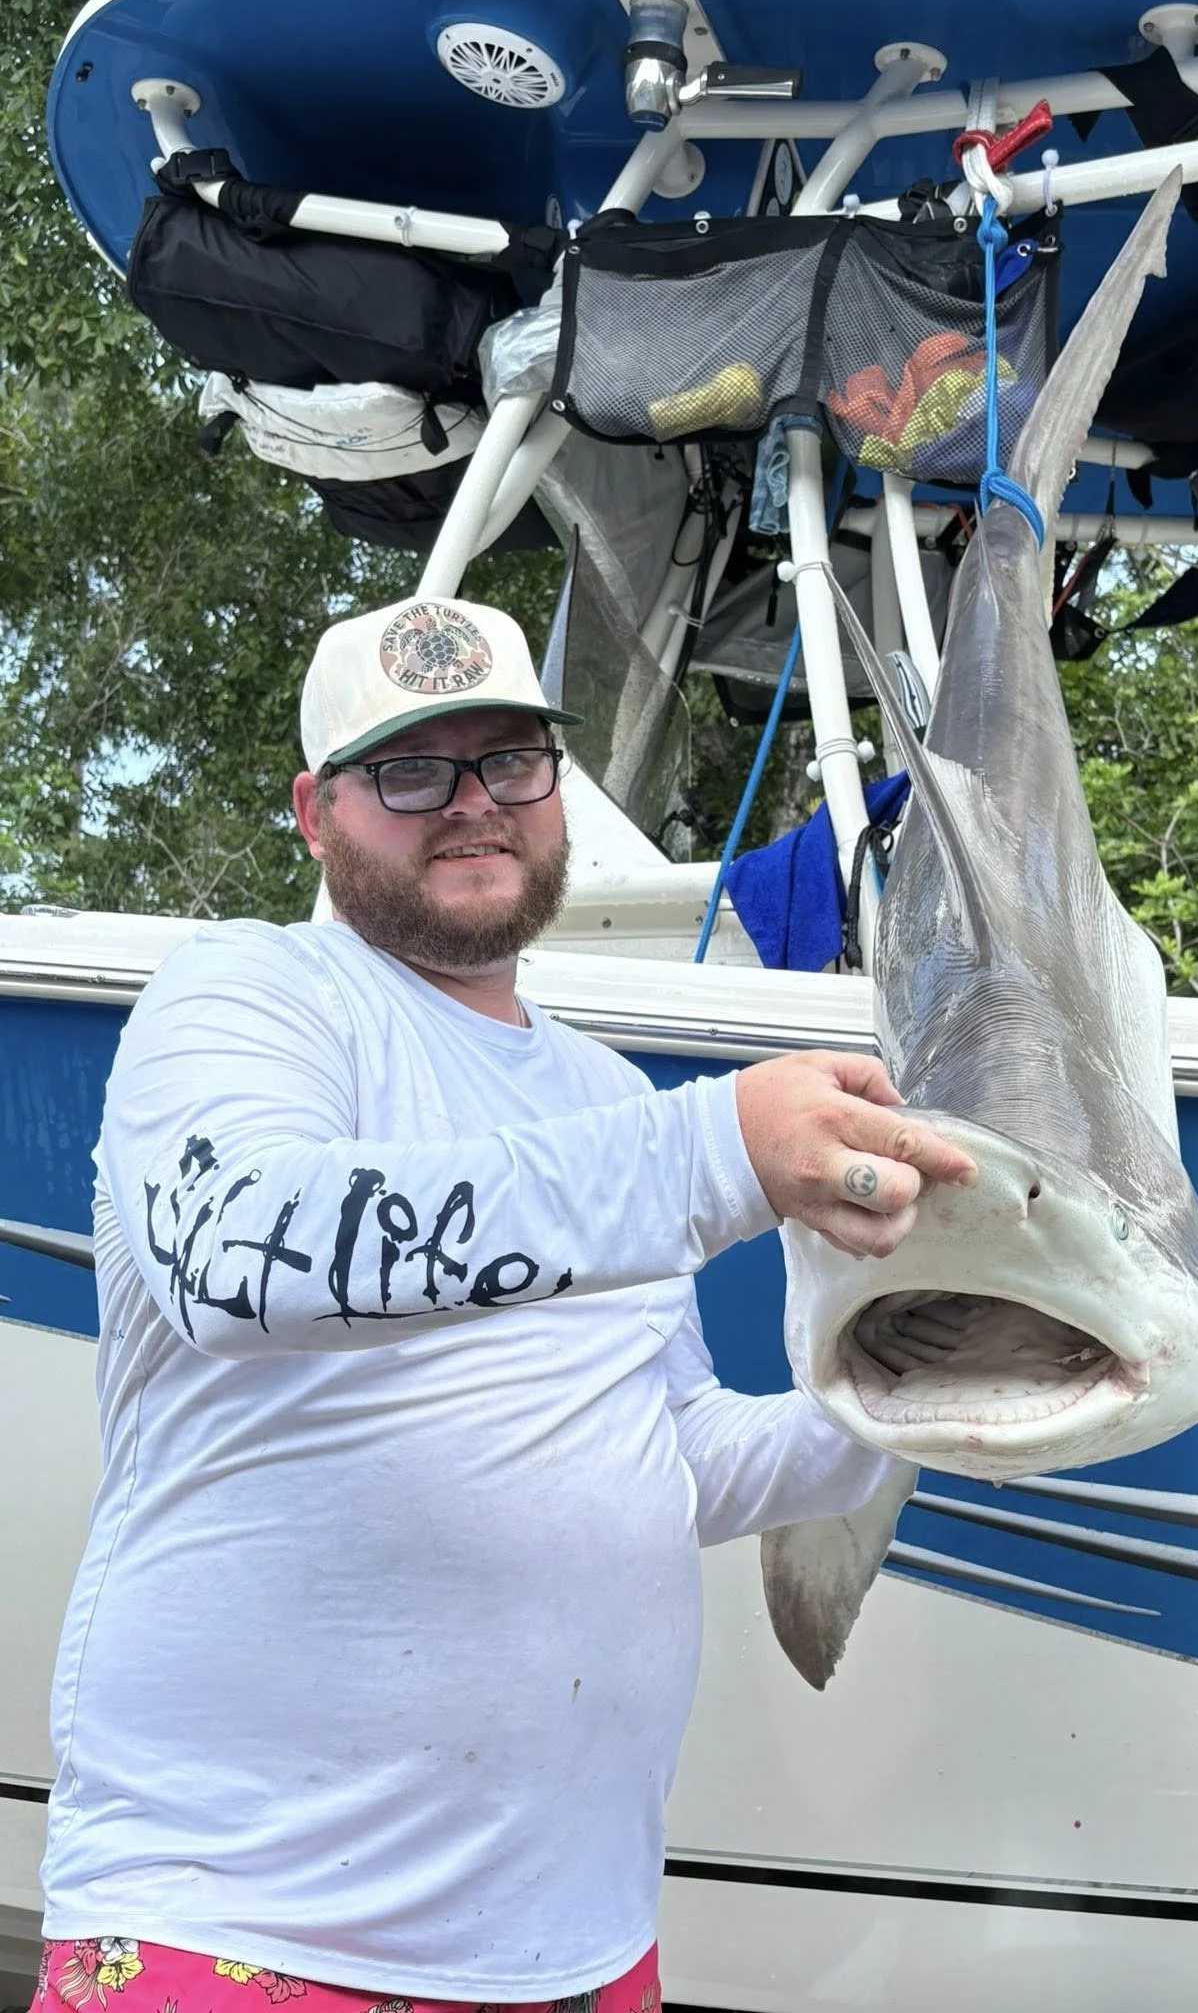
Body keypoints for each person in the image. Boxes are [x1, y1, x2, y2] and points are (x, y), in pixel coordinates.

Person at [33, 595, 976, 2013]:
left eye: (510, 763)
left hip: (578, 1950)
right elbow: (238, 1258)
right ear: (315, 810)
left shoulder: (603, 1097)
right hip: (236, 1930)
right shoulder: (246, 997)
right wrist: (711, 1149)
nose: (472, 807)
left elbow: (673, 1458)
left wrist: (912, 1396)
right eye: (412, 771)